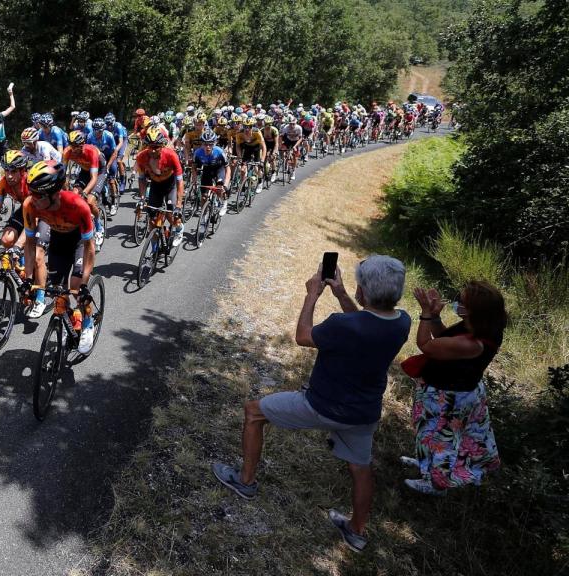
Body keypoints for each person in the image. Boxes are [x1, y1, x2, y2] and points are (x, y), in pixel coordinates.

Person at [211, 255, 412, 553]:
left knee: (254, 412)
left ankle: (246, 482)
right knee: (361, 467)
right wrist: (341, 293)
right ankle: (356, 531)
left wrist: (312, 295)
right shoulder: (401, 322)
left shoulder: (342, 324)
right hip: (363, 412)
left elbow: (303, 336)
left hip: (322, 405)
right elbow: (367, 321)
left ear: (364, 291)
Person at [405, 281, 504, 495]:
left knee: (443, 440)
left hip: (450, 398)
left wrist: (424, 313)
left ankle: (436, 484)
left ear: (475, 311)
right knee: (431, 434)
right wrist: (434, 317)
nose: (457, 302)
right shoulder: (478, 326)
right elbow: (444, 339)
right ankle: (427, 466)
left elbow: (426, 345)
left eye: (463, 301)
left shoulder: (474, 343)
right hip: (451, 392)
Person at [22, 160, 98, 353]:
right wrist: (28, 278)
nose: (33, 198)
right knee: (59, 292)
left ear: (54, 193)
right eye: (31, 192)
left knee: (76, 289)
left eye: (38, 195)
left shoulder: (78, 206)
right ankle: (67, 323)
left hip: (79, 242)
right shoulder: (31, 205)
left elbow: (90, 248)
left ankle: (88, 322)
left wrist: (84, 284)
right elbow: (30, 245)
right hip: (58, 241)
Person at [0, 150, 48, 318]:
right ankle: (23, 268)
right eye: (6, 170)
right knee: (6, 239)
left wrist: (18, 246)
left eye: (13, 171)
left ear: (22, 171)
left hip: (42, 214)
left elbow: (32, 223)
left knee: (37, 256)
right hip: (25, 210)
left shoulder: (31, 183)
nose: (8, 175)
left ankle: (40, 298)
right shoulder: (3, 183)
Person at [136, 127, 185, 246]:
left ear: (162, 146)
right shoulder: (141, 157)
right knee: (152, 221)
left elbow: (180, 181)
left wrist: (178, 205)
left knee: (170, 214)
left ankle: (179, 229)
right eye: (150, 146)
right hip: (155, 186)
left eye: (156, 147)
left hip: (170, 185)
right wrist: (142, 198)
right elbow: (142, 179)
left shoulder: (171, 155)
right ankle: (154, 250)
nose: (152, 150)